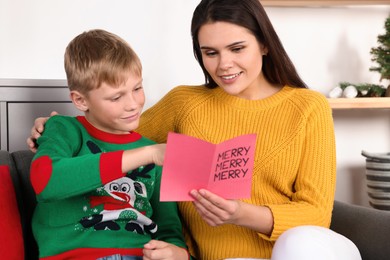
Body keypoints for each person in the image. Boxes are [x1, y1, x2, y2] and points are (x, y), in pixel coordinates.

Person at [28, 1, 362, 259]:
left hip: (297, 252)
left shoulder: (307, 108)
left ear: (264, 44)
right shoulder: (184, 104)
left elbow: (317, 213)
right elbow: (111, 132)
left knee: (301, 240)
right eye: (210, 53)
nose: (224, 65)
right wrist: (55, 127)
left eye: (237, 48)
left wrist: (242, 214)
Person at [29, 29, 190, 260]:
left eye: (137, 88)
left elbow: (169, 229)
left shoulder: (155, 153)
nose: (133, 104)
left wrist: (178, 253)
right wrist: (147, 154)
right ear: (80, 100)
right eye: (116, 97)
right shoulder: (64, 129)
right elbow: (45, 179)